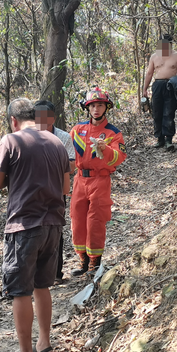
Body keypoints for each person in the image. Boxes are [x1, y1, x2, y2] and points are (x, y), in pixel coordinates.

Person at [0, 98, 71, 352]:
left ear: (14, 120)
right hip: (53, 225)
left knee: (20, 290)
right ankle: (45, 344)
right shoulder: (57, 142)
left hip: (24, 225)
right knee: (42, 285)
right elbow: (66, 186)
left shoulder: (11, 141)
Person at [69, 87, 127, 276]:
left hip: (100, 180)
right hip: (79, 179)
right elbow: (66, 153)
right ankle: (82, 260)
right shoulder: (77, 130)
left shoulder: (113, 133)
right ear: (87, 108)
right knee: (77, 219)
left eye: (100, 105)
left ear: (106, 107)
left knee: (95, 220)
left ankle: (95, 261)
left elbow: (119, 156)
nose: (96, 109)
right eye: (93, 105)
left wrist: (106, 150)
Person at [35, 100, 76, 283]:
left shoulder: (63, 137)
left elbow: (72, 165)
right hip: (32, 192)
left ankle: (56, 273)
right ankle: (35, 274)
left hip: (56, 190)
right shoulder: (26, 137)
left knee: (55, 230)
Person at [142, 34, 177, 151]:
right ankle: (160, 138)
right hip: (157, 85)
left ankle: (169, 139)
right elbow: (149, 73)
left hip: (170, 85)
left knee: (169, 112)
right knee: (157, 112)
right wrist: (144, 89)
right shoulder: (154, 57)